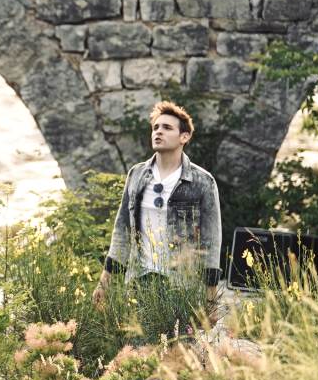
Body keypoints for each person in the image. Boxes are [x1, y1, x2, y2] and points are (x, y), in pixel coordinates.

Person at [93, 100, 224, 306]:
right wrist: (104, 282)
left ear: (184, 136)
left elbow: (211, 240)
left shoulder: (203, 181)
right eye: (155, 127)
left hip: (182, 285)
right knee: (135, 339)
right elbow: (122, 230)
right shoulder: (136, 175)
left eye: (167, 127)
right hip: (139, 281)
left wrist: (211, 298)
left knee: (180, 340)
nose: (158, 132)